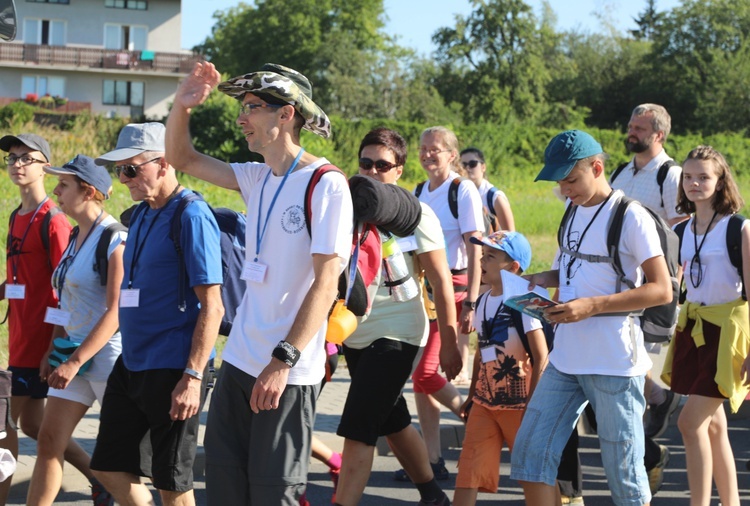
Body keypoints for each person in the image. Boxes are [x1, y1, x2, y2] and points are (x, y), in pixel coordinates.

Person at [165, 61, 353, 504]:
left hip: (286, 371)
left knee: (273, 496)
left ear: (286, 114)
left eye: (252, 106)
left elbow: (327, 284)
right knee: (226, 491)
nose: (241, 118)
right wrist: (182, 105)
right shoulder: (257, 177)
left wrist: (282, 360)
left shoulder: (326, 185)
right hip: (239, 366)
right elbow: (181, 158)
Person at [509, 129, 672, 506]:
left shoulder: (630, 216)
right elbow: (568, 271)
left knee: (626, 478)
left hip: (614, 363)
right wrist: (536, 280)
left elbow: (662, 289)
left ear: (596, 167)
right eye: (559, 182)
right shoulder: (571, 210)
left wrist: (591, 306)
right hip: (565, 359)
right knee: (530, 455)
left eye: (570, 179)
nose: (565, 190)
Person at [88, 122, 224, 506]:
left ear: (163, 163)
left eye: (131, 168)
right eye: (120, 171)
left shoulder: (192, 215)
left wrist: (193, 377)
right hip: (132, 362)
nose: (124, 178)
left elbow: (213, 305)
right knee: (108, 467)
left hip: (173, 367)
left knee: (172, 481)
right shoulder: (143, 213)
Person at [335, 128, 459, 506]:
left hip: (398, 332)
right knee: (391, 418)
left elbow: (440, 279)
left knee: (359, 428)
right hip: (354, 331)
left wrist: (452, 343)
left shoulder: (418, 215)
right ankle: (433, 495)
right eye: (366, 163)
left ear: (400, 170)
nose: (372, 172)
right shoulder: (346, 208)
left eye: (383, 165)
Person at [0, 134, 94, 505]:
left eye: (27, 158)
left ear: (45, 166)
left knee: (3, 425)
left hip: (41, 345)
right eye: (11, 158)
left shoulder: (53, 221)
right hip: (20, 339)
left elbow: (65, 287)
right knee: (35, 427)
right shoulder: (15, 216)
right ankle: (100, 476)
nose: (17, 164)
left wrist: (54, 347)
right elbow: (18, 279)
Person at [26, 155, 124, 506]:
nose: (56, 191)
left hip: (107, 359)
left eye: (64, 185)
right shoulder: (75, 236)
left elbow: (116, 312)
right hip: (72, 359)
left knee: (118, 464)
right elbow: (65, 304)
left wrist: (73, 361)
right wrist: (53, 353)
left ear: (89, 191)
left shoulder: (115, 238)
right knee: (48, 441)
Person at [661, 145, 750, 506]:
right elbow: (672, 284)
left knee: (689, 423)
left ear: (720, 181)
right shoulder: (679, 229)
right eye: (688, 177)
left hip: (727, 334)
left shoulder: (739, 228)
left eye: (704, 177)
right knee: (713, 427)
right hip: (694, 330)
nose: (694, 183)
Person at [393, 126, 482, 481]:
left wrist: (473, 301)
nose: (428, 154)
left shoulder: (462, 190)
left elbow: (476, 249)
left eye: (436, 149)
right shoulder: (418, 192)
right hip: (424, 291)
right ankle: (431, 460)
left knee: (427, 372)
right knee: (420, 380)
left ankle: (476, 418)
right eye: (423, 149)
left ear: (451, 154)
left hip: (455, 290)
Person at [453, 230, 547, 506]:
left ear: (513, 267)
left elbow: (542, 356)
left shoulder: (525, 301)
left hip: (521, 406)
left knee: (533, 475)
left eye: (491, 256)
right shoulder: (482, 301)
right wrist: (471, 396)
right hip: (485, 403)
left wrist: (534, 404)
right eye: (482, 255)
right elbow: (482, 354)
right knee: (469, 471)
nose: (482, 261)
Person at [610, 103, 685, 443]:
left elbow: (682, 235)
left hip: (657, 285)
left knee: (637, 355)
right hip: (622, 282)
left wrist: (675, 291)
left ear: (658, 134)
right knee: (625, 353)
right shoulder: (620, 174)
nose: (631, 132)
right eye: (630, 125)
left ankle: (638, 442)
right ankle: (656, 399)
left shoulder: (670, 175)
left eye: (638, 128)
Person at [459, 147, 515, 231]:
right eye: (463, 165)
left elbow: (510, 235)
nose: (467, 168)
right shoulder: (459, 194)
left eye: (472, 164)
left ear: (483, 167)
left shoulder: (495, 197)